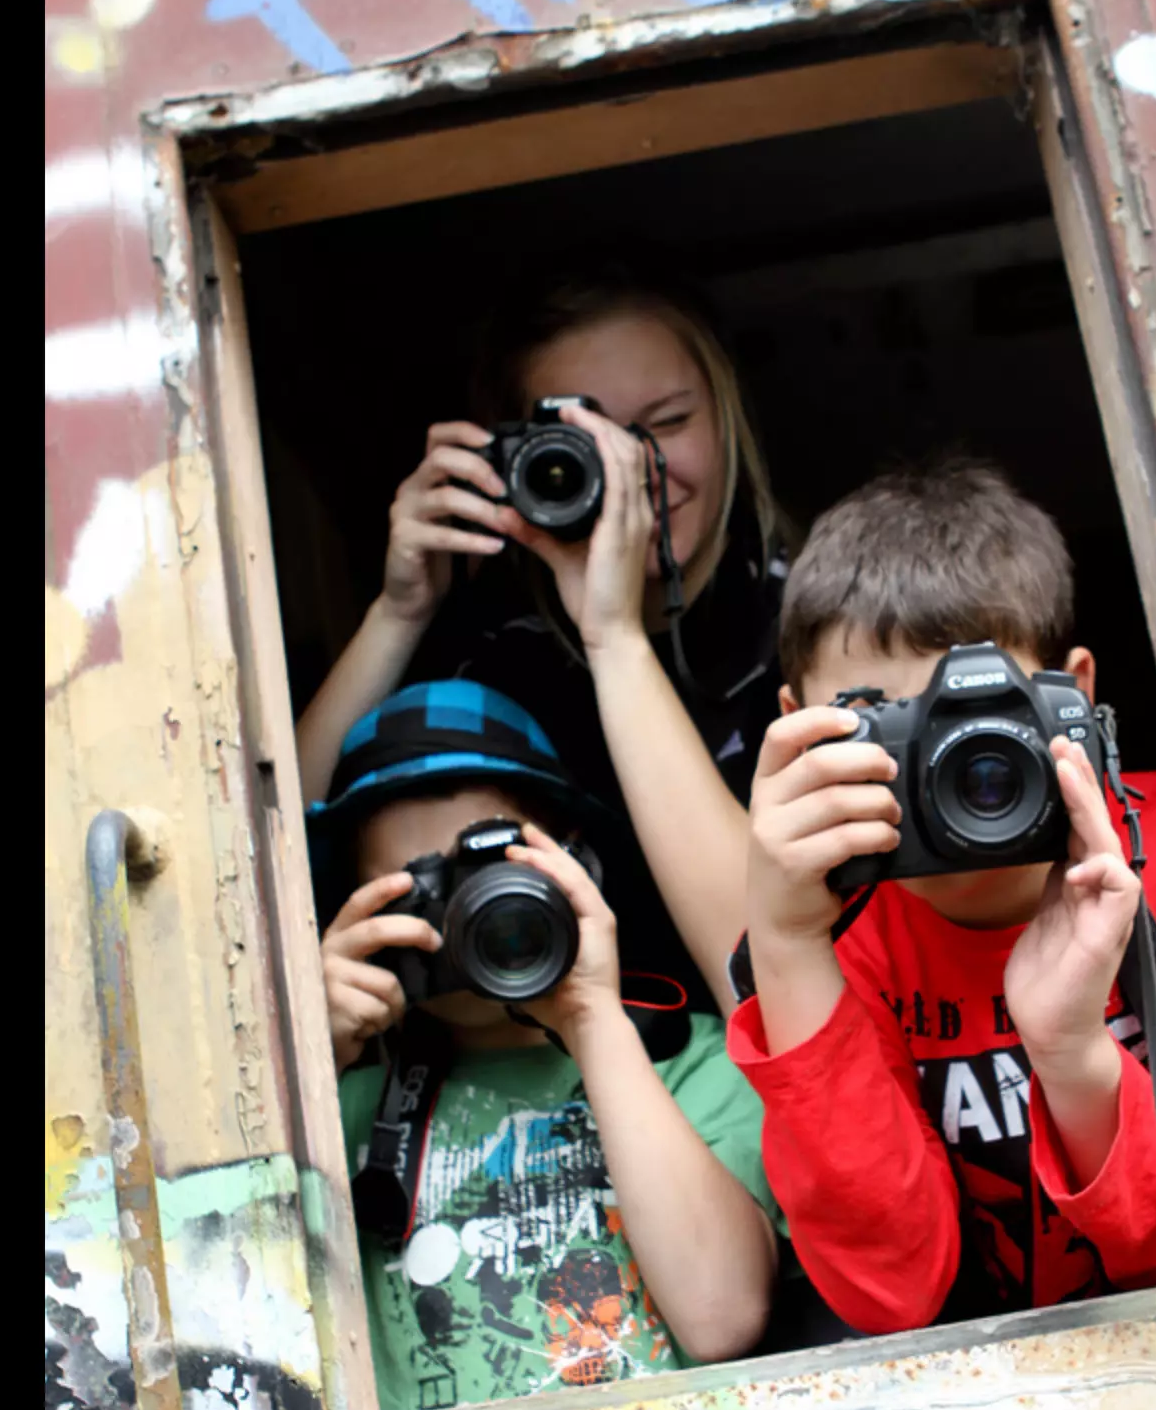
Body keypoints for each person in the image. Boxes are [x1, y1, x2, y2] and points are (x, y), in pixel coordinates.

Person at [729, 459, 1156, 1335]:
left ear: (1076, 696)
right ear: (794, 729)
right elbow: (892, 1297)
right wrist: (786, 952)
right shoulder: (833, 931)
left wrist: (1072, 1051)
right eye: (884, 725)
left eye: (981, 720)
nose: (947, 771)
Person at [295, 261, 795, 1024]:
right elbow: (268, 893)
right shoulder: (485, 655)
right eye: (579, 446)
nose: (634, 469)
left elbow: (767, 981)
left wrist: (614, 633)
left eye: (665, 424)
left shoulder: (812, 618)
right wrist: (398, 615)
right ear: (509, 462)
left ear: (728, 418)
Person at [307, 681, 780, 1410]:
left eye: (487, 876)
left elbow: (723, 1317)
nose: (463, 920)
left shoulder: (691, 1065)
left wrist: (592, 1015)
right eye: (417, 894)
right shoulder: (338, 1105)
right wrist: (308, 1056)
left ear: (578, 869)